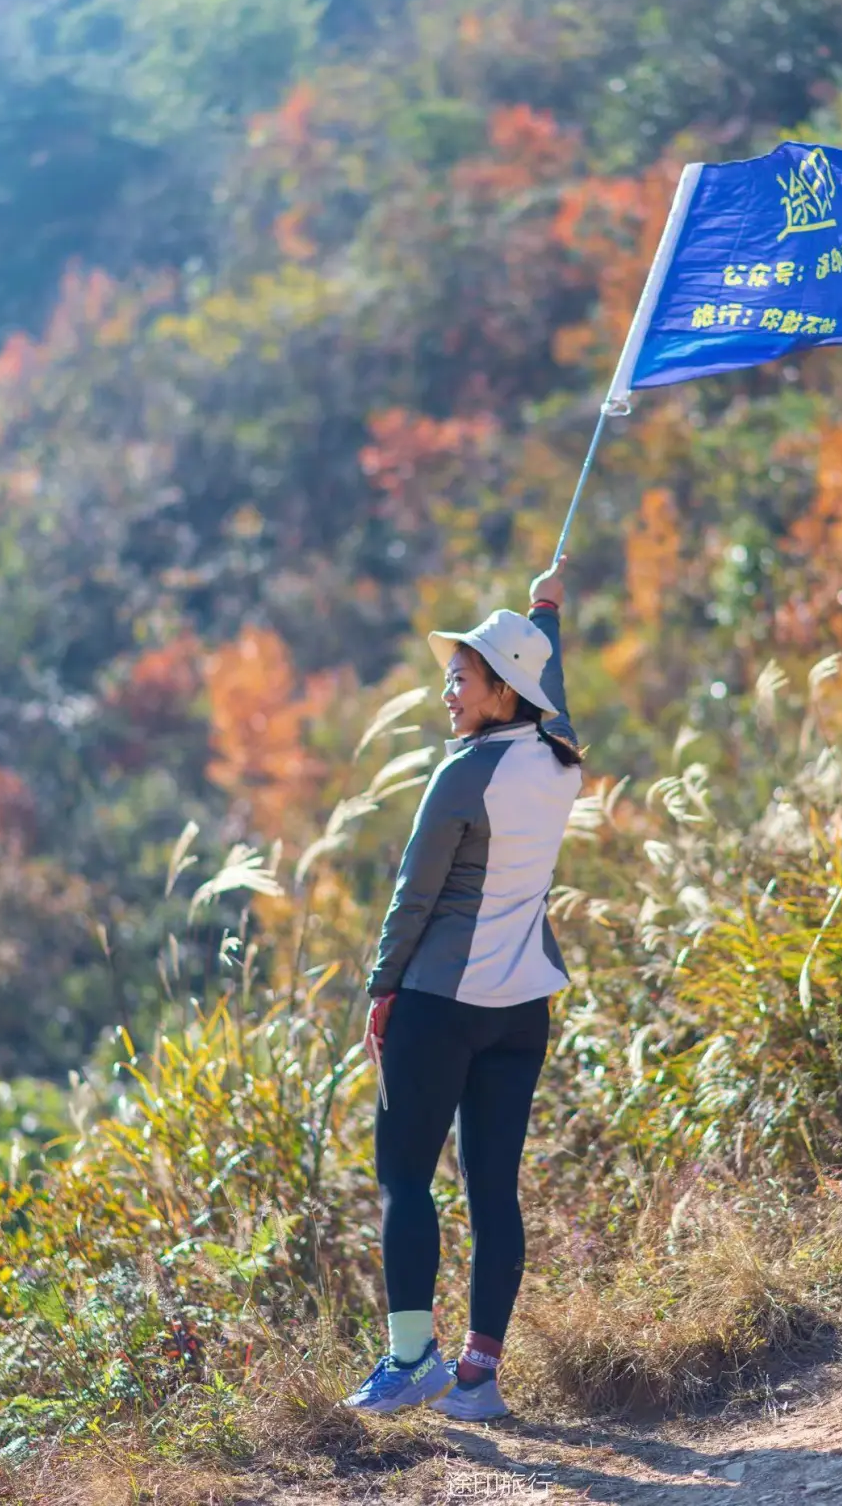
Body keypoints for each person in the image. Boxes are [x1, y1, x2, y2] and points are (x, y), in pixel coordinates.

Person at [343, 557, 583, 1421]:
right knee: (494, 1187)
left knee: (405, 1174)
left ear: (498, 691)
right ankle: (478, 1379)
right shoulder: (561, 755)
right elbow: (548, 675)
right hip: (521, 1010)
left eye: (461, 677)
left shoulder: (460, 777)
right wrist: (544, 608)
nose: (448, 691)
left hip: (441, 1006)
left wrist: (380, 990)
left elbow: (413, 896)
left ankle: (412, 1360)